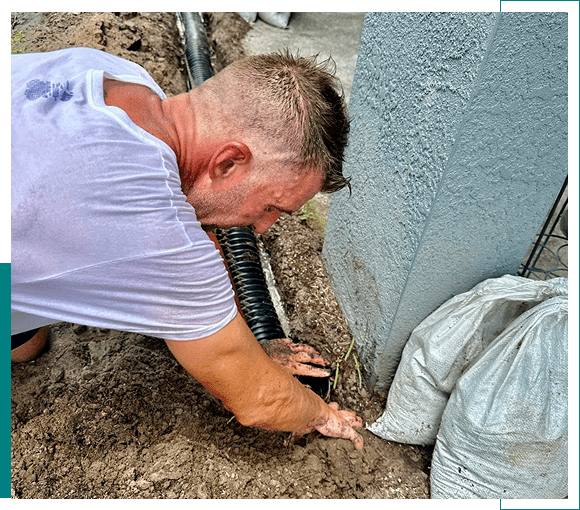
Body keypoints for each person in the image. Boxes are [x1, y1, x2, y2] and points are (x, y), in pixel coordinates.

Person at [11, 47, 363, 449]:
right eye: (270, 207)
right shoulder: (149, 222)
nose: (264, 227)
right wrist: (320, 413)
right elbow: (258, 401)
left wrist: (241, 339)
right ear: (228, 162)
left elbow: (192, 235)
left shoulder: (124, 77)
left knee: (27, 344)